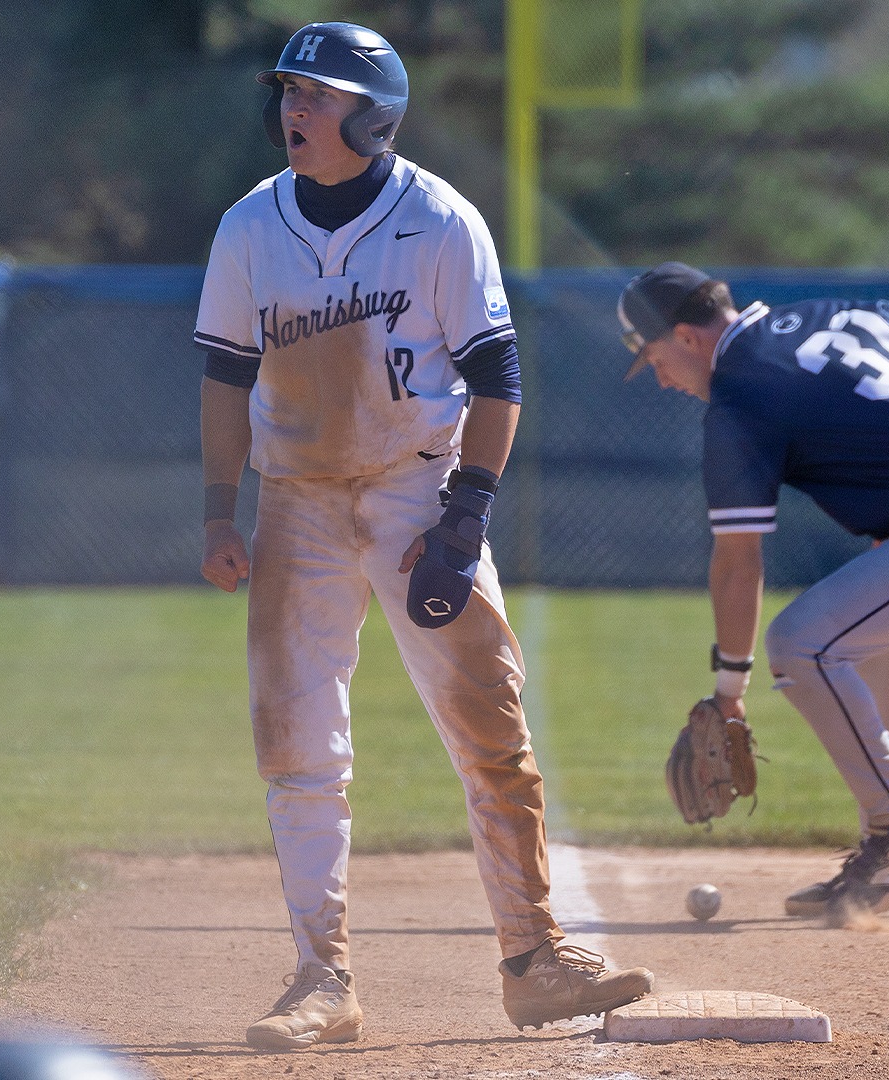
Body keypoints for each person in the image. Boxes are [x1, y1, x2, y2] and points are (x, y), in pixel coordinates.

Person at [195, 22, 653, 1051]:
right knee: (297, 744)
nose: (293, 113)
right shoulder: (250, 228)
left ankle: (535, 958)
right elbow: (224, 375)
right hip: (298, 505)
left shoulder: (438, 219)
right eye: (288, 94)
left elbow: (497, 378)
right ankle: (323, 978)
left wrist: (466, 513)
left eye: (316, 95)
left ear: (373, 112)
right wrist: (220, 512)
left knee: (488, 722)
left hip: (418, 494)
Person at [616, 263, 889, 918]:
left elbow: (737, 560)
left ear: (686, 337)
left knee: (801, 643)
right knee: (881, 671)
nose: (664, 378)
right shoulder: (835, 311)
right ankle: (886, 860)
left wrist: (729, 694)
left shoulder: (738, 397)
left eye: (655, 359)